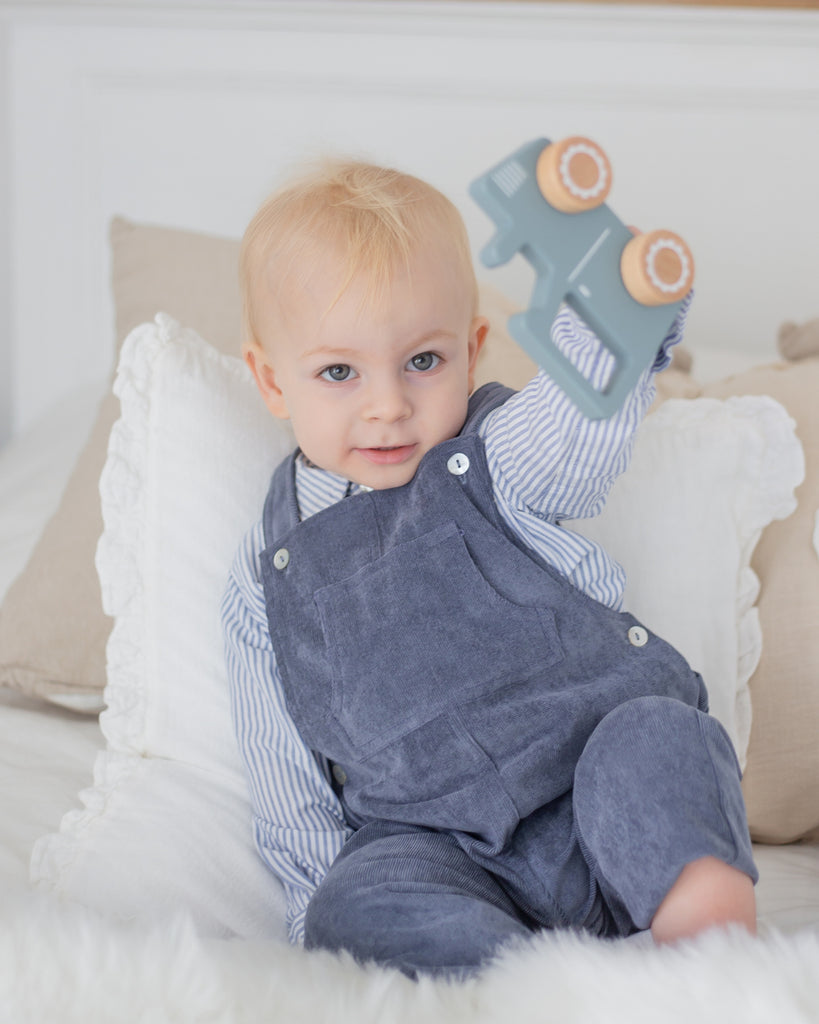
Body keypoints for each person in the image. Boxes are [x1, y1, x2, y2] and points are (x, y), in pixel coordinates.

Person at [222, 158, 757, 978]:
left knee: (657, 738)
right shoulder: (269, 565)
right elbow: (281, 764)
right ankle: (513, 987)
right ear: (270, 380)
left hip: (590, 789)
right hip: (432, 846)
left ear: (471, 351)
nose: (387, 405)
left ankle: (709, 956)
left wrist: (615, 319)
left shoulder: (490, 457)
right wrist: (313, 896)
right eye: (339, 372)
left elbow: (573, 425)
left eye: (422, 361)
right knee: (355, 898)